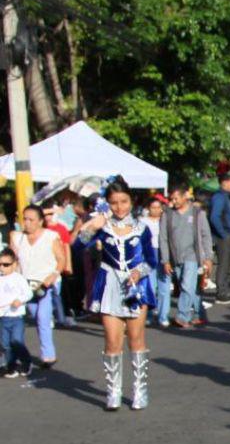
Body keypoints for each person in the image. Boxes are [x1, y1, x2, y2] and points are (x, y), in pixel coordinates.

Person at [78, 176, 158, 411]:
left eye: (123, 201)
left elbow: (152, 260)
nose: (119, 207)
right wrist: (91, 225)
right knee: (112, 340)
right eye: (114, 203)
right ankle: (113, 392)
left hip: (136, 286)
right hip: (110, 284)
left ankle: (140, 391)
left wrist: (138, 272)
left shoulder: (142, 228)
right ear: (108, 203)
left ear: (131, 201)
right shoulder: (103, 227)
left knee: (136, 338)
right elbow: (79, 246)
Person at [12, 204, 66, 369]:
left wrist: (53, 275)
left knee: (43, 318)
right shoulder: (17, 237)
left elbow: (61, 259)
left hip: (45, 284)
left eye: (31, 220)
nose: (27, 223)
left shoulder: (51, 236)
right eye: (25, 219)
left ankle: (48, 356)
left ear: (41, 221)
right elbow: (14, 261)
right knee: (36, 317)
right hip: (26, 285)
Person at [159, 183, 213, 329]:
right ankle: (197, 313)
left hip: (193, 256)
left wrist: (208, 257)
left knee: (187, 286)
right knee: (190, 287)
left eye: (176, 198)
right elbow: (163, 238)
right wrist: (165, 260)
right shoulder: (167, 215)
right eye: (172, 199)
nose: (174, 201)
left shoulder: (197, 213)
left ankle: (182, 316)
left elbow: (206, 236)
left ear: (185, 197)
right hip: (175, 256)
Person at [0, 246, 33, 377]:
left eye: (6, 264)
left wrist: (20, 300)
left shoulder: (18, 278)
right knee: (5, 344)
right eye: (0, 264)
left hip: (16, 317)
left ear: (14, 265)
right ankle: (11, 367)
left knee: (16, 341)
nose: (2, 267)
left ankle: (26, 362)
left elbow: (29, 293)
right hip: (3, 317)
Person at [209, 174, 230, 304]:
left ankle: (225, 289)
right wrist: (223, 233)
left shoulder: (225, 197)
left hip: (227, 234)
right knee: (224, 263)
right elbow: (214, 217)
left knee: (227, 262)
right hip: (224, 235)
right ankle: (221, 292)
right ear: (225, 183)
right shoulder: (220, 197)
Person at [144, 195, 171, 328]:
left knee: (164, 285)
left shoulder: (166, 220)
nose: (156, 210)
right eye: (153, 207)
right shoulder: (143, 221)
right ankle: (149, 314)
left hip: (163, 252)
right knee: (150, 285)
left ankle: (163, 315)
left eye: (158, 207)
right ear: (148, 209)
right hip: (149, 253)